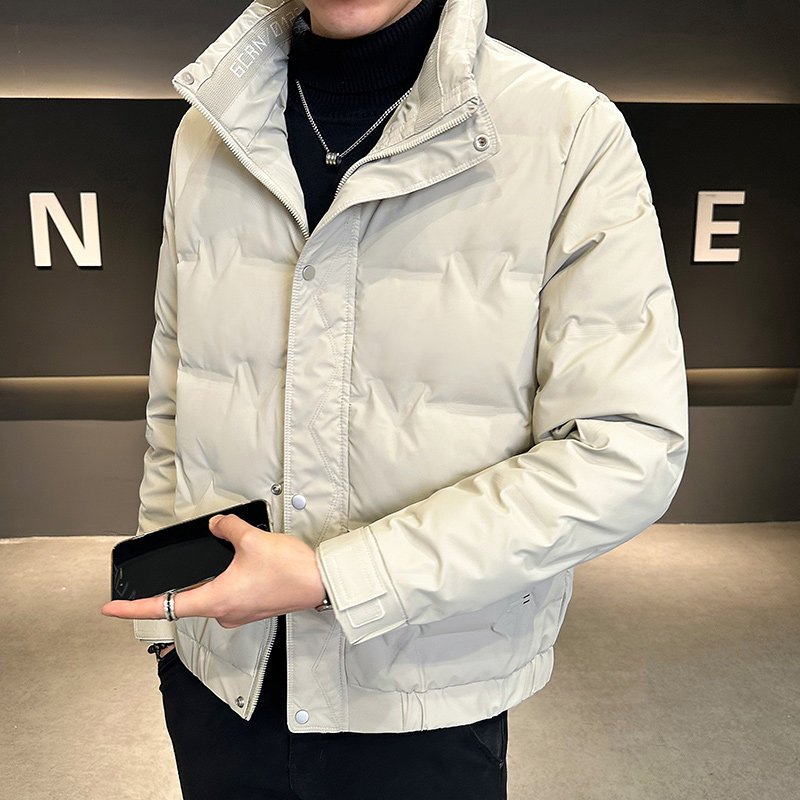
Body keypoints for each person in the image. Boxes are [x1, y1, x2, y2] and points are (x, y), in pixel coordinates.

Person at [101, 0, 689, 797]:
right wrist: (168, 625)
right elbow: (176, 391)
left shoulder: (567, 134)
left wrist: (338, 576)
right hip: (218, 682)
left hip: (423, 697)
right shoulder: (206, 131)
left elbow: (624, 447)